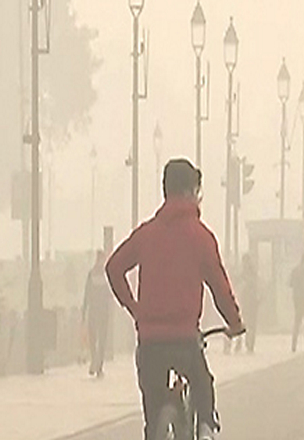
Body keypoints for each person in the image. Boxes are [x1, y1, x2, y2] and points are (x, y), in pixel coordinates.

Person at [106, 159, 244, 440]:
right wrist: (234, 322)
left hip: (150, 342)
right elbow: (219, 286)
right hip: (184, 341)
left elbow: (114, 268)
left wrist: (134, 308)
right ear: (192, 191)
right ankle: (206, 430)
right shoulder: (201, 236)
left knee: (154, 412)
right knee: (203, 385)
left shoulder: (147, 233)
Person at [83, 246, 112, 377]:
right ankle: (97, 364)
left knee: (96, 339)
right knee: (98, 339)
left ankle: (96, 363)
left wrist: (84, 311)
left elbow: (87, 294)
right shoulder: (105, 275)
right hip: (100, 312)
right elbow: (108, 295)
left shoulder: (92, 274)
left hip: (95, 312)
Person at [235, 253, 259, 355]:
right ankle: (248, 344)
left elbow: (238, 282)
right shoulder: (252, 273)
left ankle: (246, 344)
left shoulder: (247, 274)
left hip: (248, 301)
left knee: (246, 323)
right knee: (250, 324)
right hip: (250, 301)